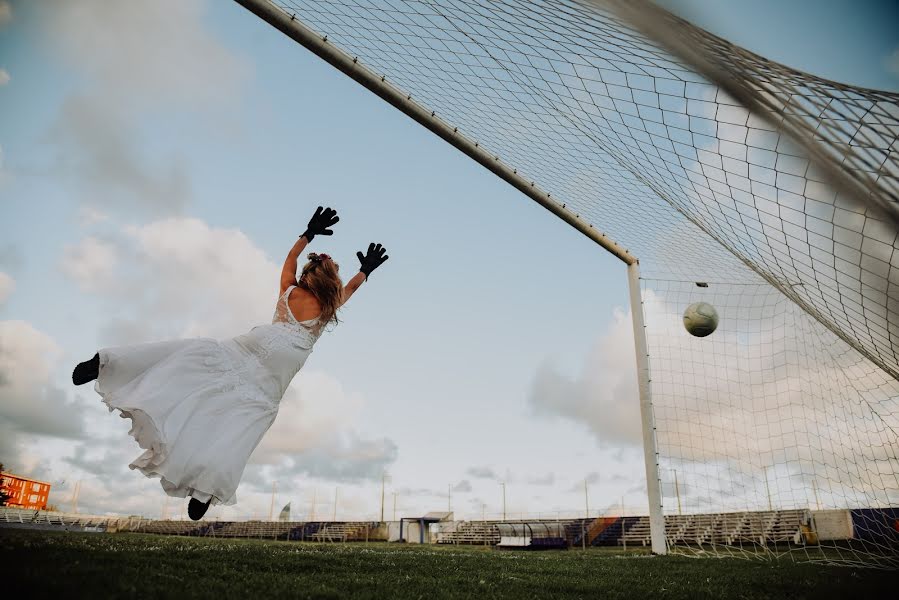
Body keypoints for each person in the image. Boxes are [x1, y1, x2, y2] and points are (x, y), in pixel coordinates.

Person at [71, 207, 388, 520]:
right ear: (329, 282)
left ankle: (107, 364)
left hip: (250, 348)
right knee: (236, 430)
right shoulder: (328, 306)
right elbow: (352, 288)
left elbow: (290, 259)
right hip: (271, 381)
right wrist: (367, 270)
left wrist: (308, 233)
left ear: (308, 274)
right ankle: (203, 492)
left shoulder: (289, 289)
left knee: (191, 359)